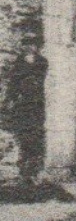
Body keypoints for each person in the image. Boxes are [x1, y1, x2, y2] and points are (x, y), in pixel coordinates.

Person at [3, 49, 48, 185]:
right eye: (27, 43)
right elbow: (13, 84)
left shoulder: (42, 62)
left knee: (36, 138)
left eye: (33, 43)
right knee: (23, 138)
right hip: (22, 107)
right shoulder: (18, 63)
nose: (30, 46)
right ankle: (24, 172)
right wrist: (9, 100)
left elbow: (42, 81)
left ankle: (34, 172)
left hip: (37, 107)